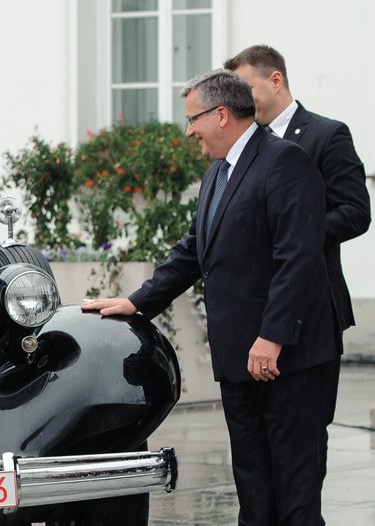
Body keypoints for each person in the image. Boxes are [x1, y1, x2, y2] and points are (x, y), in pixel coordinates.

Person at [82, 70, 337, 525]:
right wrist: (136, 302)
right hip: (239, 358)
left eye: (193, 118)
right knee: (254, 489)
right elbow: (194, 251)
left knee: (295, 495)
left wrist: (272, 337)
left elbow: (298, 258)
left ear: (221, 114)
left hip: (287, 360)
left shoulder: (286, 162)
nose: (188, 130)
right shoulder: (218, 172)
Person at [224, 45, 371, 485]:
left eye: (247, 87)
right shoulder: (245, 144)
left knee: (299, 456)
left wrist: (296, 235)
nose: (242, 101)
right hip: (255, 312)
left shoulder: (326, 135)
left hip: (310, 309)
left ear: (276, 80)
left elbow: (355, 212)